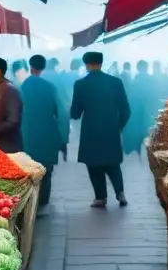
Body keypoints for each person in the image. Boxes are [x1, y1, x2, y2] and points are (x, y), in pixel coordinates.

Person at [71, 52, 131, 208]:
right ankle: (120, 192)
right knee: (113, 162)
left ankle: (100, 197)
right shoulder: (115, 82)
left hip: (90, 130)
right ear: (101, 63)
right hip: (110, 128)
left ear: (86, 65)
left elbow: (75, 113)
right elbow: (126, 110)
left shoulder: (80, 84)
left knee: (93, 163)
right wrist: (118, 127)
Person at [21, 55, 69, 207]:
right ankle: (42, 202)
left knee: (29, 169)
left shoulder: (21, 87)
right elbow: (62, 113)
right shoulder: (50, 87)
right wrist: (63, 138)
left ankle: (30, 202)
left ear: (30, 66)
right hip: (47, 133)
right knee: (46, 169)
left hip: (27, 134)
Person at [123, 60, 154, 156]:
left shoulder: (135, 79)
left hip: (140, 108)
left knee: (142, 126)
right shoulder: (151, 79)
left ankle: (141, 146)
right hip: (150, 107)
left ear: (138, 68)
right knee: (150, 127)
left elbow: (132, 94)